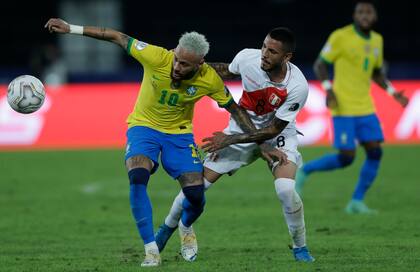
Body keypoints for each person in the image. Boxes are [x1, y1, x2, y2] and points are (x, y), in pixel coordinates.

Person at [44, 18, 283, 267]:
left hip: (179, 134)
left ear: (200, 64)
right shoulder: (157, 57)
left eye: (185, 64)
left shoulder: (209, 79)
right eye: (177, 59)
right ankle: (151, 250)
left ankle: (186, 227)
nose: (177, 67)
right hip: (143, 127)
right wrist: (71, 29)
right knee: (137, 175)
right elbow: (116, 36)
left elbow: (235, 110)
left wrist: (263, 143)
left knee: (195, 194)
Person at [155, 27, 315, 262]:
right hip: (242, 128)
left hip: (275, 134)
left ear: (286, 57)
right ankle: (167, 230)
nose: (264, 54)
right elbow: (225, 71)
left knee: (286, 189)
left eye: (272, 51)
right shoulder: (247, 58)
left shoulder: (297, 87)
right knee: (196, 187)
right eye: (263, 46)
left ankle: (300, 247)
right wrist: (194, 63)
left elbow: (273, 130)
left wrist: (229, 139)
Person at [295, 1, 409, 214]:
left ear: (374, 17)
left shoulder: (377, 40)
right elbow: (320, 64)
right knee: (347, 157)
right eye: (361, 12)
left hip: (365, 107)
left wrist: (393, 93)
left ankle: (356, 202)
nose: (365, 15)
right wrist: (329, 90)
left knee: (375, 152)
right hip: (343, 106)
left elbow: (376, 72)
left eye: (369, 12)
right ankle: (305, 171)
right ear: (355, 16)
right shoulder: (341, 36)